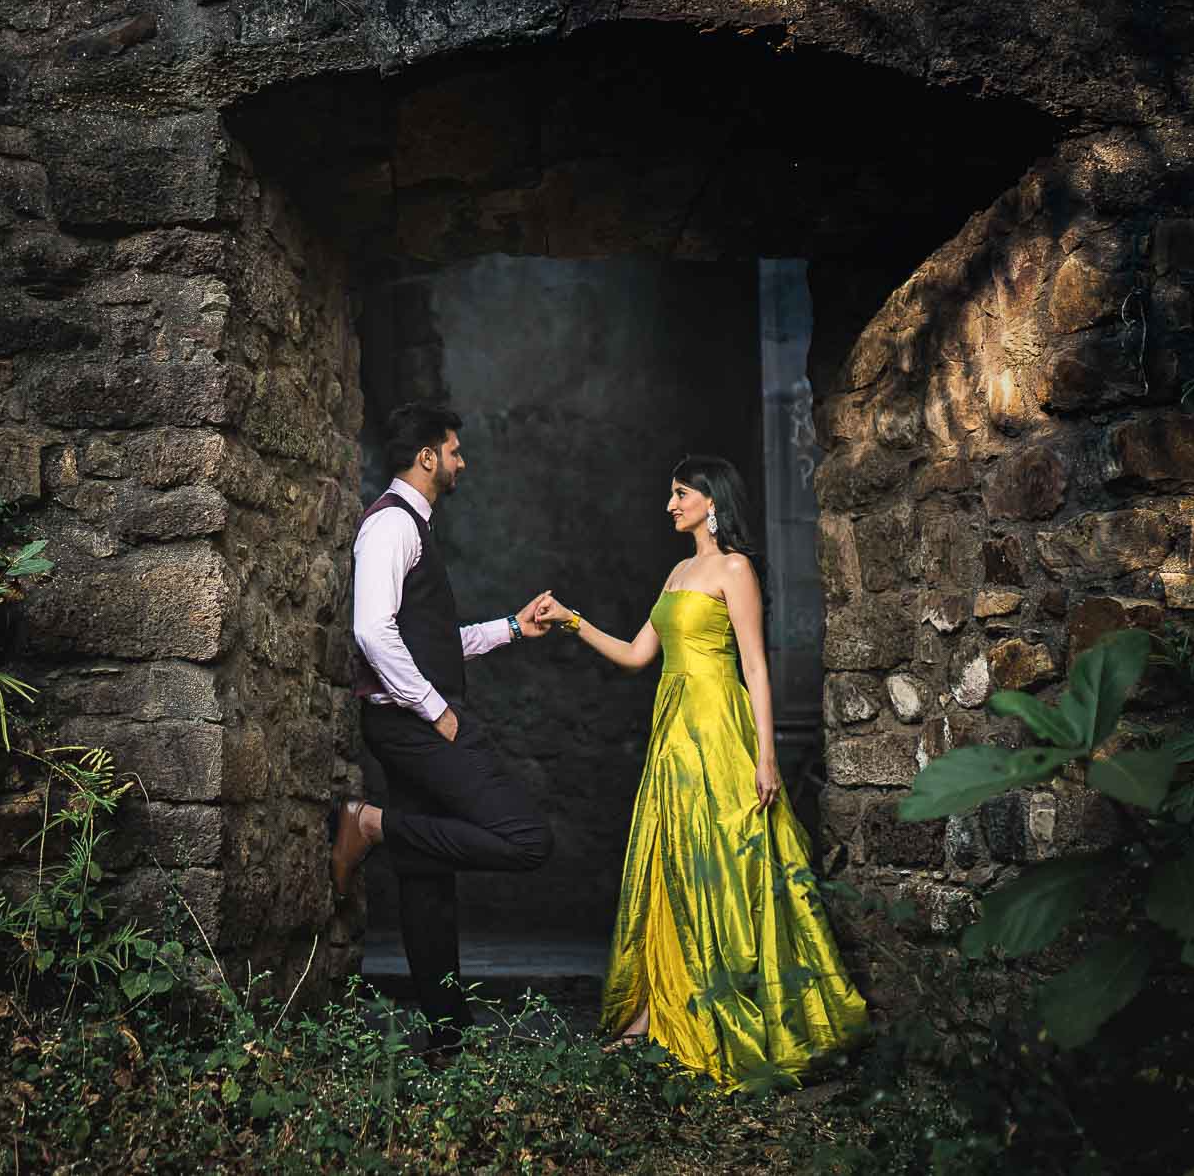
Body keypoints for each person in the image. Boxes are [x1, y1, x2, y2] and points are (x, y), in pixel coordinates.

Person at [540, 454, 866, 1086]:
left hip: (720, 731)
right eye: (671, 493)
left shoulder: (734, 569)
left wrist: (766, 754)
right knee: (669, 864)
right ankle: (648, 1014)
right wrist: (570, 620)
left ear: (711, 500)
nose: (671, 503)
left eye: (681, 492)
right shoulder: (678, 572)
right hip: (674, 737)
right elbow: (639, 655)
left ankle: (738, 1010)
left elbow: (755, 666)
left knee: (727, 866)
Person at [327, 401, 558, 1051]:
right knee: (527, 839)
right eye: (454, 449)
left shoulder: (413, 527)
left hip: (412, 723)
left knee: (426, 882)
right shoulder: (390, 526)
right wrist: (438, 710)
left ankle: (445, 1043)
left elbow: (429, 638)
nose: (461, 461)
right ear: (427, 455)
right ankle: (368, 823)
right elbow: (372, 629)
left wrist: (512, 627)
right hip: (415, 726)